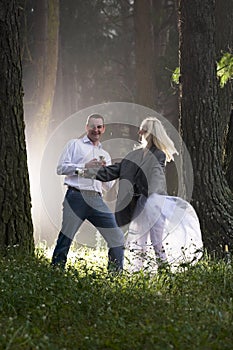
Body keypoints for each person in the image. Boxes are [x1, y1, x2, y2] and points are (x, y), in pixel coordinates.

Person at [84, 116, 203, 271]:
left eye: (144, 129)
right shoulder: (133, 155)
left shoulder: (158, 154)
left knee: (156, 242)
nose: (139, 132)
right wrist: (86, 171)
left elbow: (156, 174)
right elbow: (112, 171)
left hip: (154, 204)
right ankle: (137, 273)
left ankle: (164, 271)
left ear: (151, 133)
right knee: (139, 244)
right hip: (137, 207)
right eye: (141, 128)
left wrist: (152, 196)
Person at [51, 113, 125, 272]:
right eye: (92, 126)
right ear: (86, 127)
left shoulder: (105, 155)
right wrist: (85, 167)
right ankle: (55, 273)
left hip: (96, 199)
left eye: (99, 127)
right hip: (76, 196)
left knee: (116, 236)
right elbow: (60, 168)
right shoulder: (74, 144)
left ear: (103, 129)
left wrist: (105, 172)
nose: (96, 130)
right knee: (66, 237)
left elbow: (108, 186)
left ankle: (115, 276)